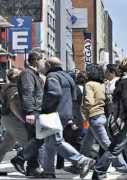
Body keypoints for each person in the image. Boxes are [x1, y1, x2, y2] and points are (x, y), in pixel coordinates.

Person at [41, 57, 95, 178]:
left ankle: (81, 160)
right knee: (50, 143)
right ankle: (48, 172)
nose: (44, 67)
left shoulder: (52, 76)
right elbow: (74, 97)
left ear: (49, 64)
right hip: (66, 113)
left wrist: (43, 107)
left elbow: (54, 93)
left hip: (54, 113)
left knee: (57, 141)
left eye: (45, 65)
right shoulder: (68, 77)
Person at [80, 63, 127, 174]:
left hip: (94, 117)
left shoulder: (89, 84)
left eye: (87, 71)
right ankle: (80, 162)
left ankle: (122, 165)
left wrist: (83, 110)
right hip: (102, 116)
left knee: (107, 144)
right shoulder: (102, 85)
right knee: (86, 142)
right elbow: (108, 100)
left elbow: (89, 102)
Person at [11, 49, 46, 177]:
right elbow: (27, 92)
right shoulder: (27, 74)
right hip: (33, 111)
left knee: (34, 139)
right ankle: (19, 158)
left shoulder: (34, 74)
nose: (45, 62)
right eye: (43, 59)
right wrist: (30, 111)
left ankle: (33, 168)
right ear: (36, 60)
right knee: (40, 138)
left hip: (37, 110)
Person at [0, 69, 28, 175]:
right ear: (16, 77)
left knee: (6, 144)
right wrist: (22, 119)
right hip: (13, 119)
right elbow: (13, 104)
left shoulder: (6, 87)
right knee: (27, 143)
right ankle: (32, 167)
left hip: (6, 118)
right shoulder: (13, 88)